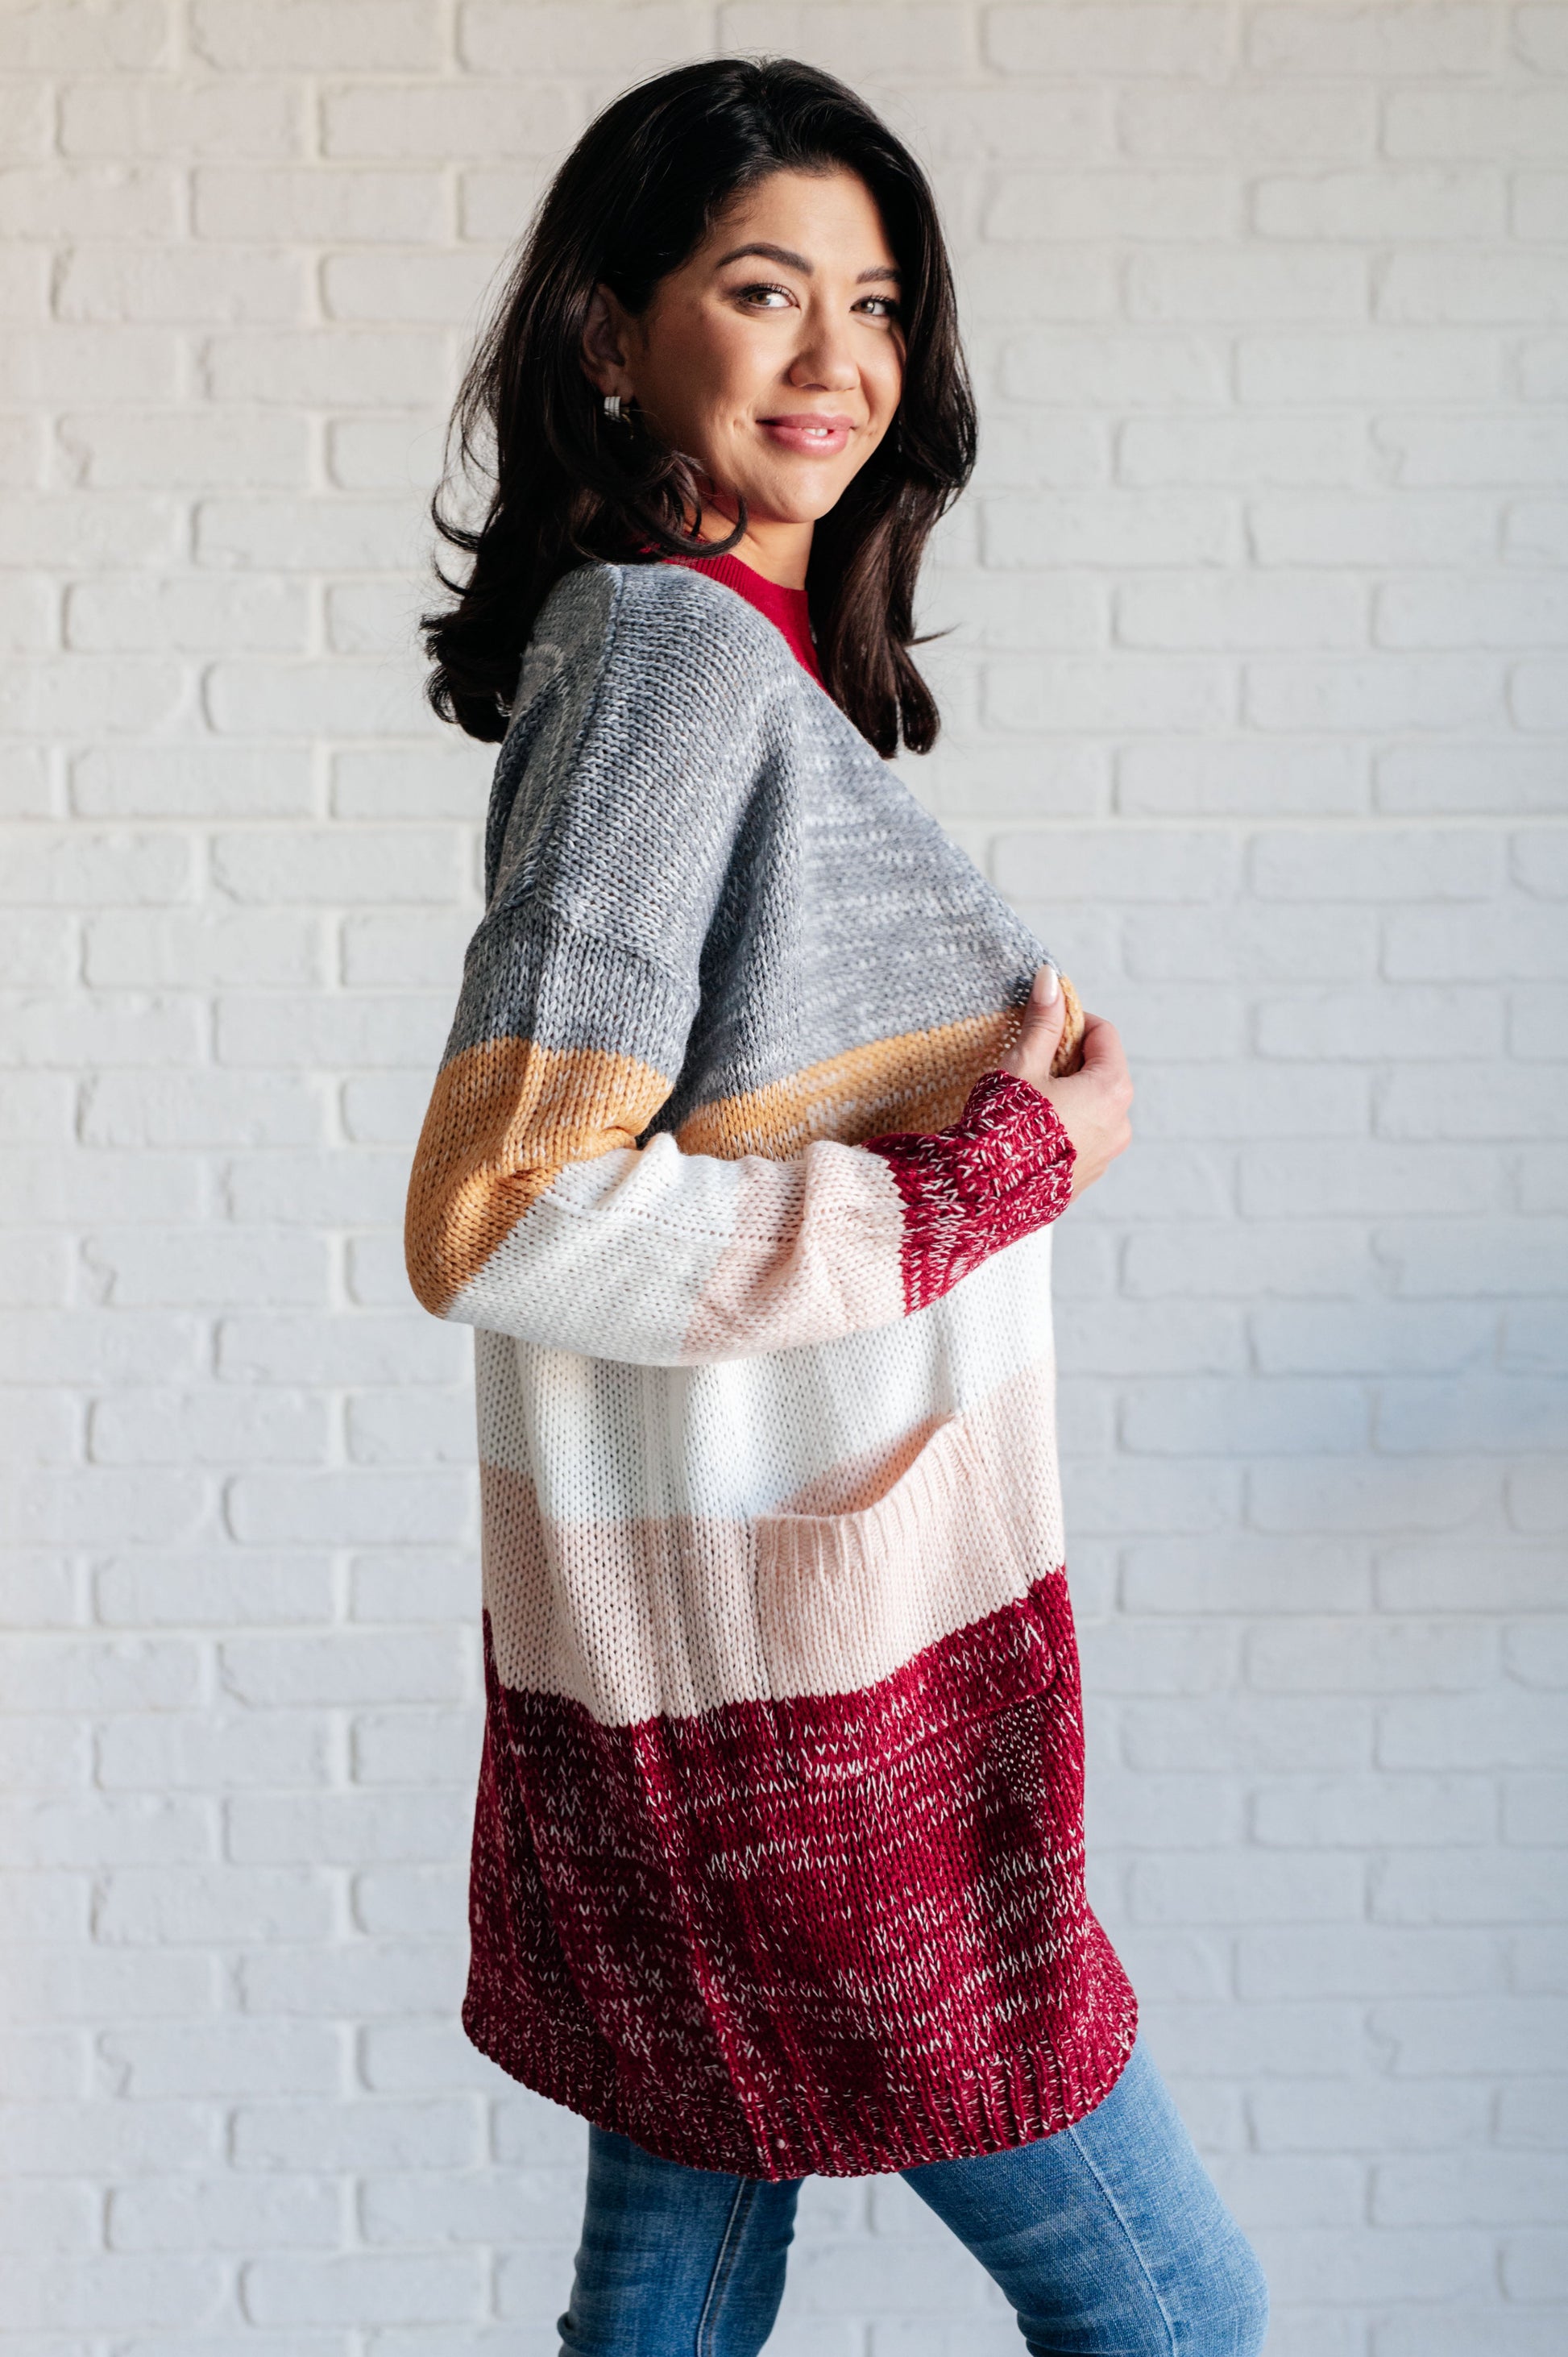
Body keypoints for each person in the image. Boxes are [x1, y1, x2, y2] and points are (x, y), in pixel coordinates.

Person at [407, 54, 1270, 2357]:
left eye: (875, 303)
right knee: (1175, 2310)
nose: (836, 359)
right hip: (793, 1703)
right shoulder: (672, 661)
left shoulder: (728, 657)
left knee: (675, 2291)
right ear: (614, 335)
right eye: (762, 288)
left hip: (736, 1644)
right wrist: (1005, 1168)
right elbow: (502, 1212)